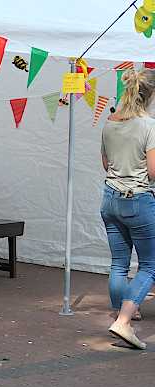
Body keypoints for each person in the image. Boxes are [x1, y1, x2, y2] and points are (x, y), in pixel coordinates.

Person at [102, 69, 155, 349]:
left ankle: (123, 311)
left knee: (119, 263)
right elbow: (153, 171)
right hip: (137, 198)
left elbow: (105, 163)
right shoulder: (149, 126)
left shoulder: (110, 121)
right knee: (149, 265)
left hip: (109, 197)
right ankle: (124, 321)